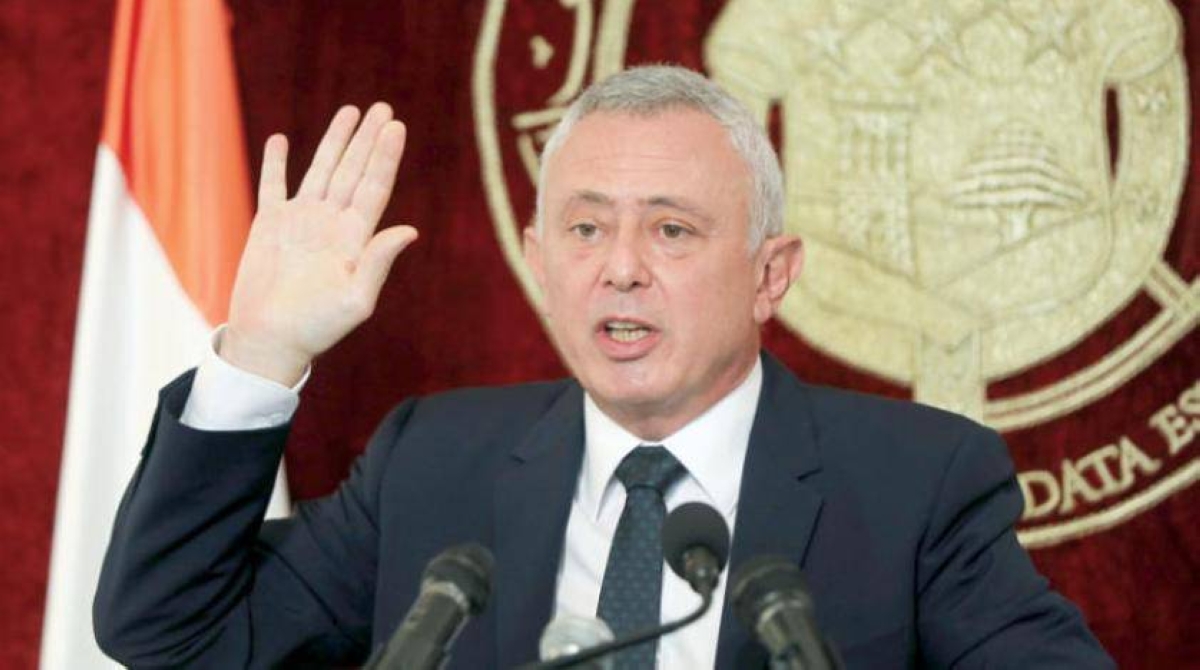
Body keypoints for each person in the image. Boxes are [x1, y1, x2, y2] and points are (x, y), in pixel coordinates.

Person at [94, 66, 1113, 668]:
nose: (619, 268)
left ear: (770, 275)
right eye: (584, 229)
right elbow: (173, 637)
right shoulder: (433, 463)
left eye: (671, 230)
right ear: (539, 262)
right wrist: (262, 352)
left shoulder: (916, 483)